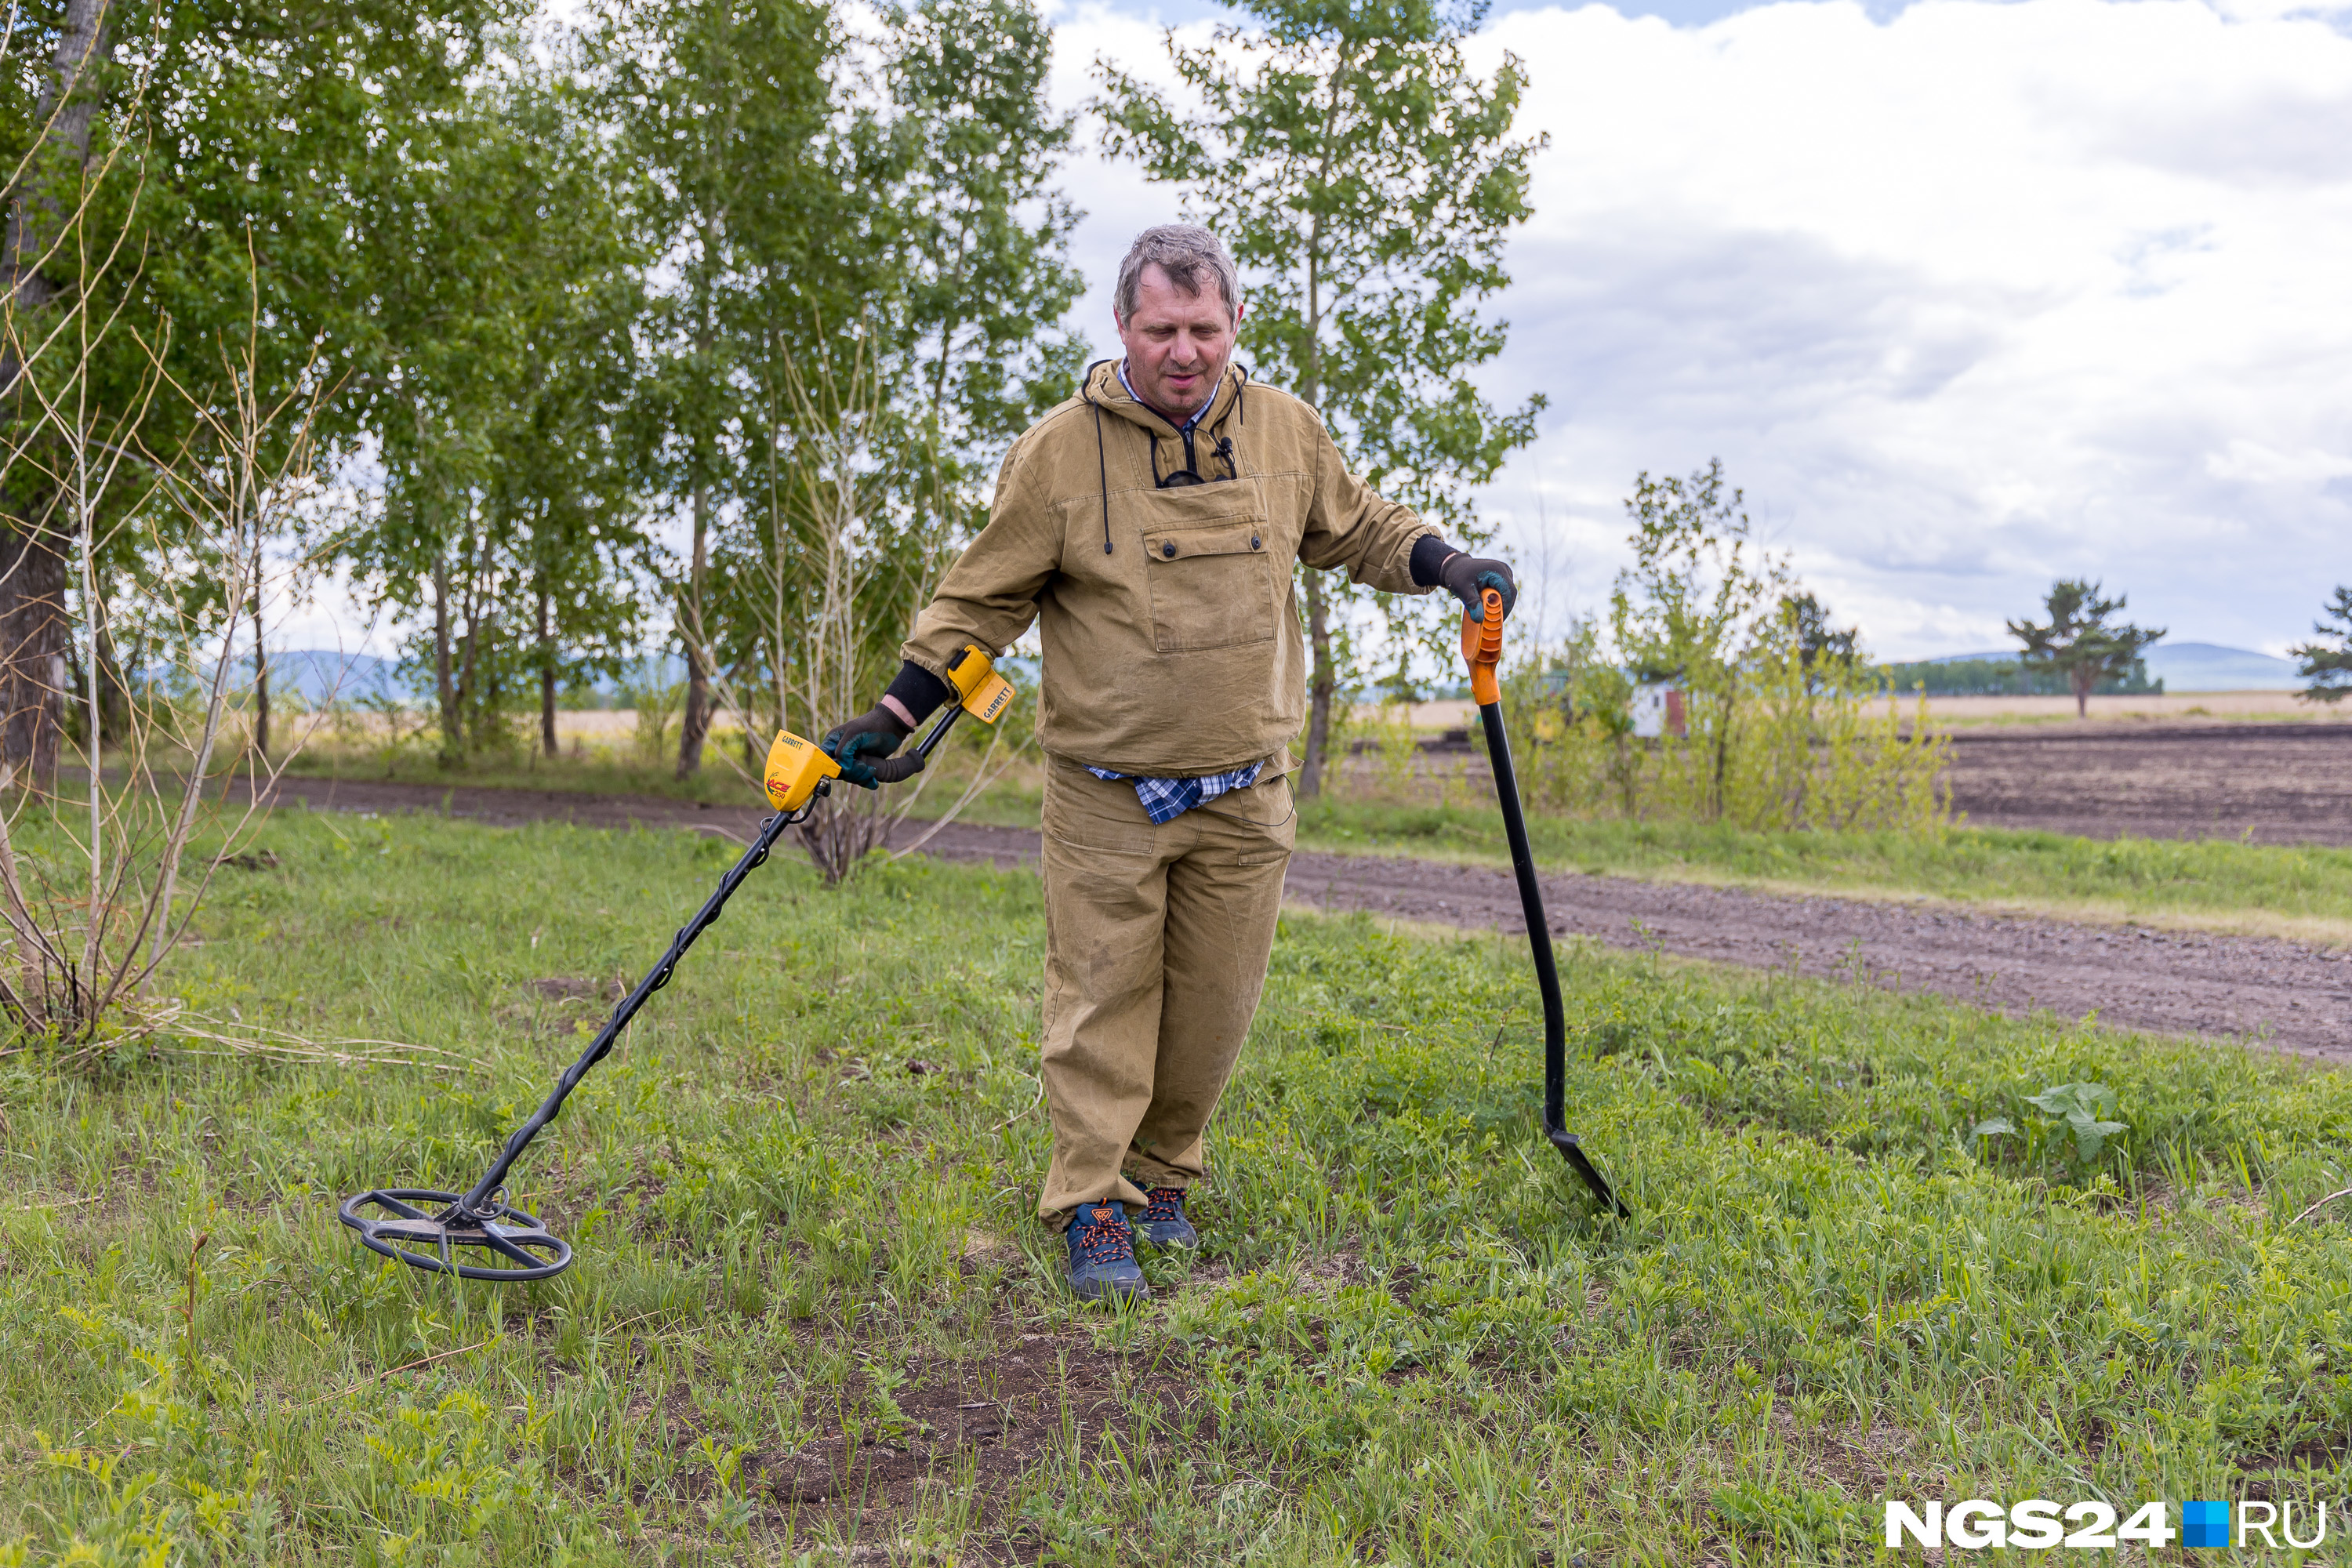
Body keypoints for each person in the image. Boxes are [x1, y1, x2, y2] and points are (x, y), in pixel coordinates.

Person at [822, 224, 1514, 1303]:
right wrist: (896, 707)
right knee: (1101, 1000)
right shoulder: (1058, 452)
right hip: (1108, 794)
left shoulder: (1285, 429)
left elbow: (1359, 526)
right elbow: (983, 600)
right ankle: (1092, 1203)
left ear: (1237, 324)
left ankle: (1165, 1177)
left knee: (1214, 1004)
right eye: (1161, 330)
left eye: (1204, 328)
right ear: (1123, 328)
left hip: (1247, 792)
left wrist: (1451, 565)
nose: (1184, 351)